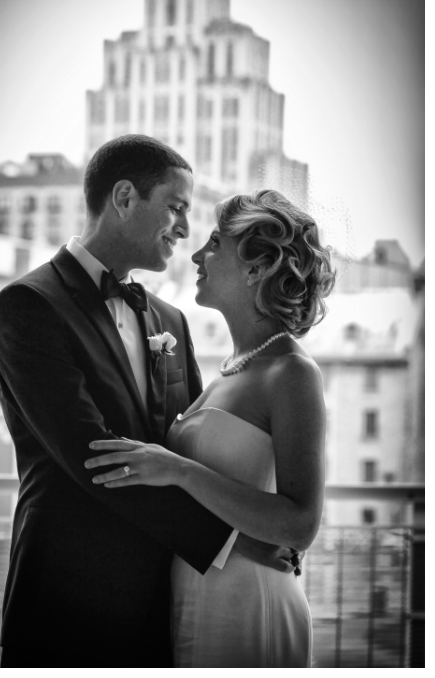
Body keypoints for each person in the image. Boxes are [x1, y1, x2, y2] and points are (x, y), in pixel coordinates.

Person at [0, 135, 296, 667]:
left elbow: (193, 445)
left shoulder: (170, 320)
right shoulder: (28, 305)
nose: (184, 227)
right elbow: (94, 457)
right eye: (176, 207)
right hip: (65, 606)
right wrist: (231, 542)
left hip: (163, 607)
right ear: (126, 198)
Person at [85, 189, 334, 666]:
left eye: (216, 243)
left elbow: (300, 525)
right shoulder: (231, 367)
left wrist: (178, 470)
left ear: (257, 267)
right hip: (193, 590)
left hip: (250, 602)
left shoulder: (292, 373)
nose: (197, 254)